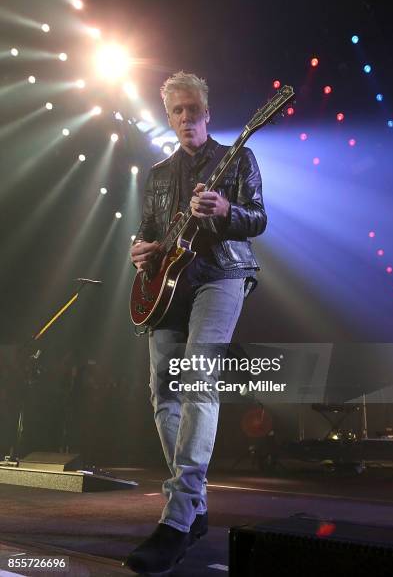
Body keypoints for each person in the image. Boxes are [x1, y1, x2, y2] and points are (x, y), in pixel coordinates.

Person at [124, 71, 267, 575]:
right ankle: (196, 505)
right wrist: (140, 251)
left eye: (193, 109)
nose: (186, 118)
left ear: (207, 112)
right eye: (177, 111)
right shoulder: (158, 172)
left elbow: (258, 219)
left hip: (222, 274)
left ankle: (179, 514)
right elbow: (149, 230)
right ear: (169, 118)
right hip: (169, 287)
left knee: (197, 381)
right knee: (164, 391)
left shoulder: (238, 157)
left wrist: (226, 209)